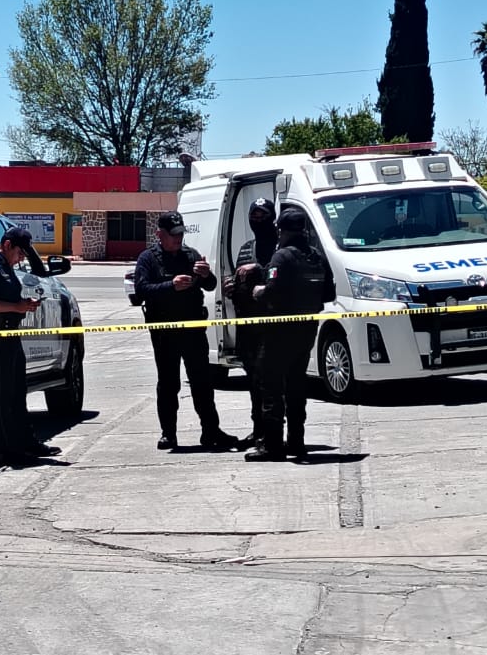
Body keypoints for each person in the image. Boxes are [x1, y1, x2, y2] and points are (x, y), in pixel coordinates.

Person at [133, 211, 238, 452]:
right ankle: (168, 434)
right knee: (169, 384)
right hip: (165, 332)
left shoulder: (190, 255)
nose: (178, 239)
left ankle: (211, 430)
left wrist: (205, 274)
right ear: (160, 234)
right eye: (173, 235)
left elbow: (211, 285)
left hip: (192, 331)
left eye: (181, 234)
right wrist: (171, 286)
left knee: (202, 382)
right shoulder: (148, 258)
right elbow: (141, 291)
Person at [242, 206, 336, 463]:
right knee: (296, 386)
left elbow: (270, 291)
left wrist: (259, 290)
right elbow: (329, 294)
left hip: (278, 332)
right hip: (306, 331)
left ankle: (272, 446)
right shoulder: (316, 257)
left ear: (281, 230)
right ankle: (296, 441)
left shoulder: (281, 257)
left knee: (270, 386)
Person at [0, 225, 62, 466]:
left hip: (10, 334)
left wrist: (23, 304)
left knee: (18, 392)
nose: (21, 259)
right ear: (8, 245)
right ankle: (11, 449)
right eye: (20, 253)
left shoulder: (4, 263)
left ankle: (27, 442)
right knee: (3, 396)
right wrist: (17, 307)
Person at [224, 198, 279, 447]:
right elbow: (240, 281)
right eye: (254, 216)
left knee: (273, 381)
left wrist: (257, 269)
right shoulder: (246, 247)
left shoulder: (280, 246)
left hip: (273, 324)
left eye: (262, 215)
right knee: (254, 380)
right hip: (247, 324)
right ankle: (258, 428)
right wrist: (231, 288)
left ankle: (273, 432)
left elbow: (281, 275)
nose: (258, 220)